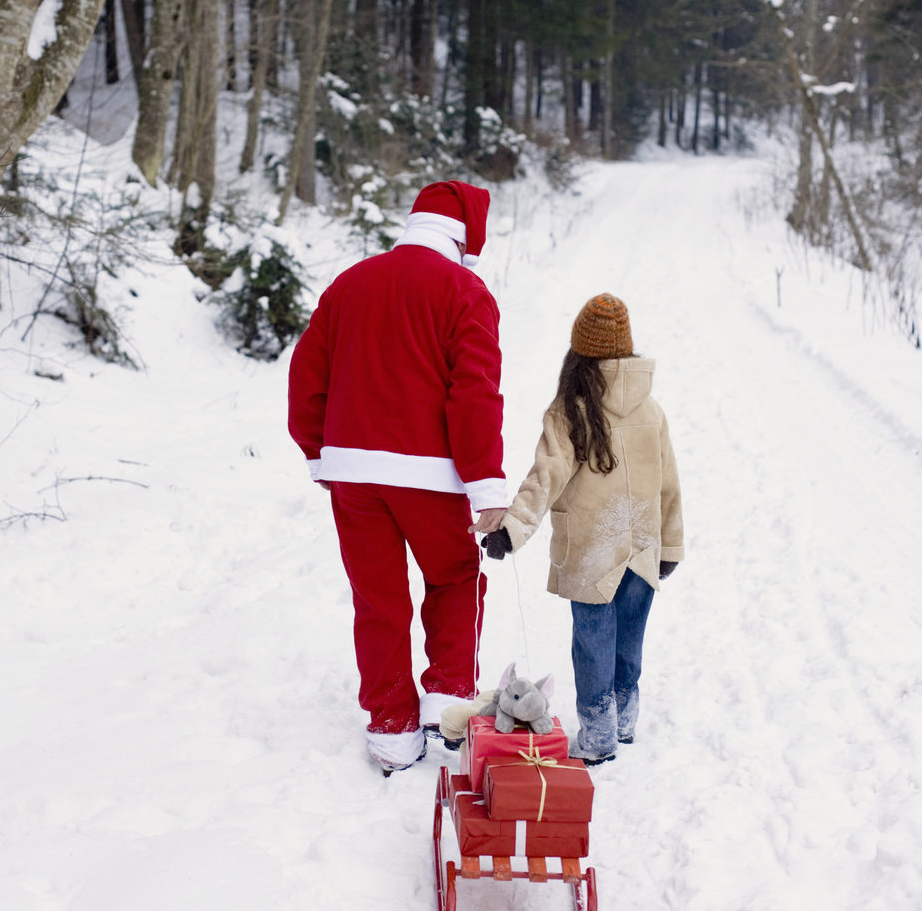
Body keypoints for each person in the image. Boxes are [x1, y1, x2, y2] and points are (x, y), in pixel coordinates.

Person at [287, 180, 507, 774]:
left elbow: (307, 372)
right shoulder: (465, 291)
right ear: (465, 238)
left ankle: (391, 730)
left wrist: (318, 453)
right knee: (456, 577)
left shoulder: (350, 283)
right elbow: (475, 395)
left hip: (353, 473)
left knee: (377, 598)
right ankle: (448, 697)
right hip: (433, 475)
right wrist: (486, 485)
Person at [483, 293, 683, 765]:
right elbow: (670, 484)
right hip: (641, 545)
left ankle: (598, 736)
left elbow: (544, 478)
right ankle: (624, 721)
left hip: (593, 553)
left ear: (579, 353)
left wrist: (512, 528)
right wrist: (669, 544)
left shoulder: (571, 411)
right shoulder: (651, 410)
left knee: (594, 647)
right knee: (628, 641)